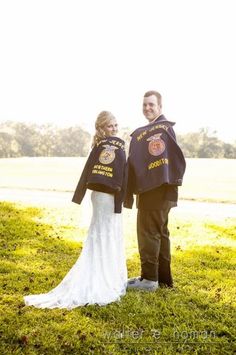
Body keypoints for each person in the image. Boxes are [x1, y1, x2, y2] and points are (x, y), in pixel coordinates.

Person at [24, 111, 127, 309]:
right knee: (104, 234)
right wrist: (118, 203)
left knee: (105, 234)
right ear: (101, 128)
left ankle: (109, 273)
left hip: (104, 197)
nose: (114, 129)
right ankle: (103, 278)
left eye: (115, 125)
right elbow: (102, 174)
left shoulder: (108, 146)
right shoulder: (106, 147)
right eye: (109, 126)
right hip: (105, 198)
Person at [124, 91, 186, 291]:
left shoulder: (159, 129)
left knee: (148, 233)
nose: (147, 108)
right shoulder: (162, 128)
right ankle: (164, 279)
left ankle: (149, 279)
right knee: (161, 233)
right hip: (165, 193)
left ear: (160, 106)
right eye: (144, 105)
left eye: (151, 104)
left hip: (154, 190)